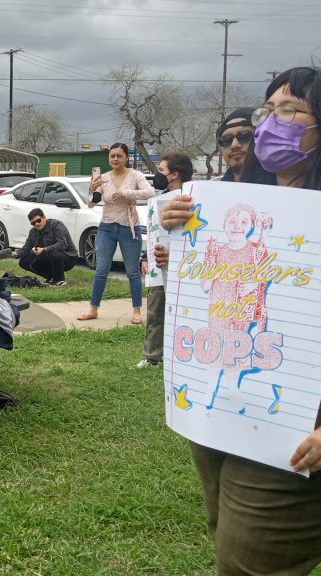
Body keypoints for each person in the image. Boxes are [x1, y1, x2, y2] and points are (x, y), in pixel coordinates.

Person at [188, 67, 321, 575]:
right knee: (225, 535)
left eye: (290, 110)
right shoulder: (234, 205)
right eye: (268, 110)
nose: (270, 124)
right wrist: (179, 243)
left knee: (247, 564)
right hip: (223, 407)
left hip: (297, 427)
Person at [77, 143, 155, 324]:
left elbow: (150, 192)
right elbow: (91, 204)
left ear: (126, 157)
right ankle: (93, 309)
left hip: (129, 227)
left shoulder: (136, 175)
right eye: (112, 156)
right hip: (106, 227)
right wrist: (91, 189)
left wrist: (126, 192)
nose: (115, 159)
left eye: (119, 156)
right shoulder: (102, 178)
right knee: (101, 270)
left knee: (132, 272)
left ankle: (136, 311)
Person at [133, 152, 192, 369]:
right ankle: (153, 357)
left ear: (175, 174)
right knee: (156, 311)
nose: (157, 175)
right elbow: (154, 232)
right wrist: (145, 257)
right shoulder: (159, 199)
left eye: (162, 171)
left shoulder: (194, 199)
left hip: (188, 269)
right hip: (160, 267)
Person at [8, 208, 76, 286]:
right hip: (49, 256)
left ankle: (60, 279)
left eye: (38, 220)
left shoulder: (56, 225)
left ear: (44, 217)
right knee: (24, 262)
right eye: (33, 223)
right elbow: (25, 250)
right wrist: (12, 254)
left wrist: (44, 249)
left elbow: (62, 244)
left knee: (53, 253)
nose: (36, 224)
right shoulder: (33, 232)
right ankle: (51, 277)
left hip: (68, 257)